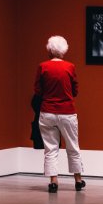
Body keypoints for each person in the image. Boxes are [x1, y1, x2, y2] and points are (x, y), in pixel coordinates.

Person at [33, 35, 85, 193]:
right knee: (73, 147)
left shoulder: (43, 67)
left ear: (49, 49)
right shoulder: (70, 67)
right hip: (67, 112)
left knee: (50, 149)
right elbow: (75, 90)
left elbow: (37, 89)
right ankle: (78, 179)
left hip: (47, 112)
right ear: (64, 50)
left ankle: (53, 181)